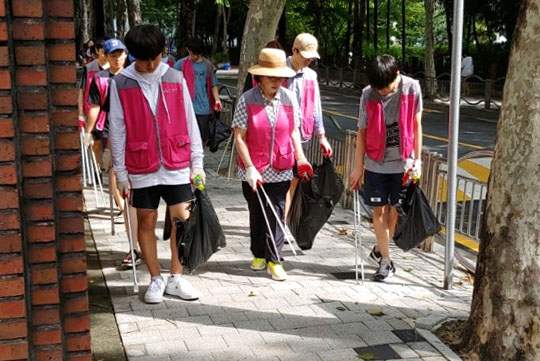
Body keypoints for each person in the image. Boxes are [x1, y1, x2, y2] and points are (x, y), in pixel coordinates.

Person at [109, 24, 205, 304]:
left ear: (163, 52)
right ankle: (155, 278)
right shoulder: (121, 83)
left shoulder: (175, 77)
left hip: (176, 162)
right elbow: (117, 128)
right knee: (146, 221)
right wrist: (121, 173)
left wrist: (197, 164)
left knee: (182, 220)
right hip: (141, 165)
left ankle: (176, 277)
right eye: (143, 59)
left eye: (154, 57)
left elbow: (190, 122)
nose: (150, 64)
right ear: (133, 55)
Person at [233, 48, 314, 281]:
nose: (277, 82)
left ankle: (275, 259)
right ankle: (258, 253)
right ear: (260, 77)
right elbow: (239, 136)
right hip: (253, 169)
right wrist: (249, 167)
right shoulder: (247, 100)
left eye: (281, 77)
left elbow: (294, 132)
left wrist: (300, 158)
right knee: (257, 212)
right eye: (272, 77)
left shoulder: (289, 99)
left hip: (281, 166)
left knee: (276, 212)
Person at [349, 55, 423, 282]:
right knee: (378, 210)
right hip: (375, 162)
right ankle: (386, 261)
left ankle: (381, 250)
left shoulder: (412, 88)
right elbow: (361, 131)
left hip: (402, 161)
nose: (381, 92)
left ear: (397, 74)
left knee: (394, 210)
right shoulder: (367, 94)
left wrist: (417, 160)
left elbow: (417, 124)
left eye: (386, 88)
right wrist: (357, 167)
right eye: (377, 88)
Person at [84, 38, 141, 268]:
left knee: (141, 197)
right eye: (113, 54)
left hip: (139, 141)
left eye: (121, 53)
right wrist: (89, 132)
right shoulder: (100, 80)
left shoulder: (136, 77)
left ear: (126, 54)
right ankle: (134, 246)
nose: (117, 57)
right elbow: (95, 107)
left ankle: (141, 241)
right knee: (120, 184)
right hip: (113, 138)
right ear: (105, 56)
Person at [284, 33, 332, 221]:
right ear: (294, 51)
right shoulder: (280, 71)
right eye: (305, 55)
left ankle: (283, 222)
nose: (309, 60)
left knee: (293, 181)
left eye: (312, 56)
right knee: (280, 181)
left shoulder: (311, 76)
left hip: (303, 136)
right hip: (280, 137)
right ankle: (277, 222)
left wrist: (321, 136)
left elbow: (316, 107)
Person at [174, 39, 222, 145]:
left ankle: (200, 156)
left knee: (203, 137)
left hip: (203, 107)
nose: (193, 56)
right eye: (191, 53)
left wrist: (217, 100)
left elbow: (213, 84)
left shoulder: (208, 66)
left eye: (196, 54)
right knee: (187, 136)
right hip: (186, 106)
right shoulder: (181, 64)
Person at [79, 37, 110, 163]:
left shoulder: (116, 68)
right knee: (95, 143)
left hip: (110, 113)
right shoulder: (89, 68)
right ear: (97, 51)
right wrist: (81, 113)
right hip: (92, 111)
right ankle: (97, 168)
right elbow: (81, 91)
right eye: (104, 51)